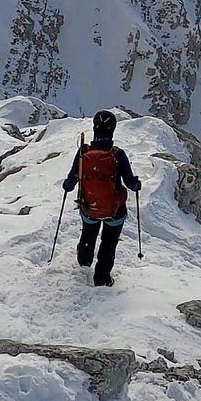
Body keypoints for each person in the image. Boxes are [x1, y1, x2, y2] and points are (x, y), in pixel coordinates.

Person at [61, 110, 141, 286]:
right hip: (115, 211)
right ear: (112, 130)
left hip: (89, 207)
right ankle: (102, 277)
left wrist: (67, 186)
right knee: (109, 242)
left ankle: (84, 262)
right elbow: (130, 184)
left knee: (88, 234)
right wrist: (137, 184)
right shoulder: (117, 154)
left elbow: (71, 180)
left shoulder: (83, 152)